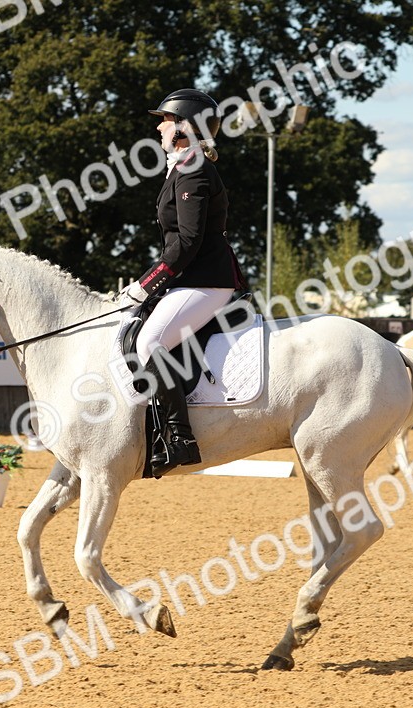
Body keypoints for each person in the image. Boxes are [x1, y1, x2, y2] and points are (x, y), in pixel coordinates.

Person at [118, 88, 243, 477]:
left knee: (150, 341)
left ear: (184, 129)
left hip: (207, 281)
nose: (158, 126)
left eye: (166, 120)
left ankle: (178, 438)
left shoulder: (194, 170)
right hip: (190, 279)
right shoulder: (183, 166)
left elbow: (187, 241)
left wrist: (147, 283)